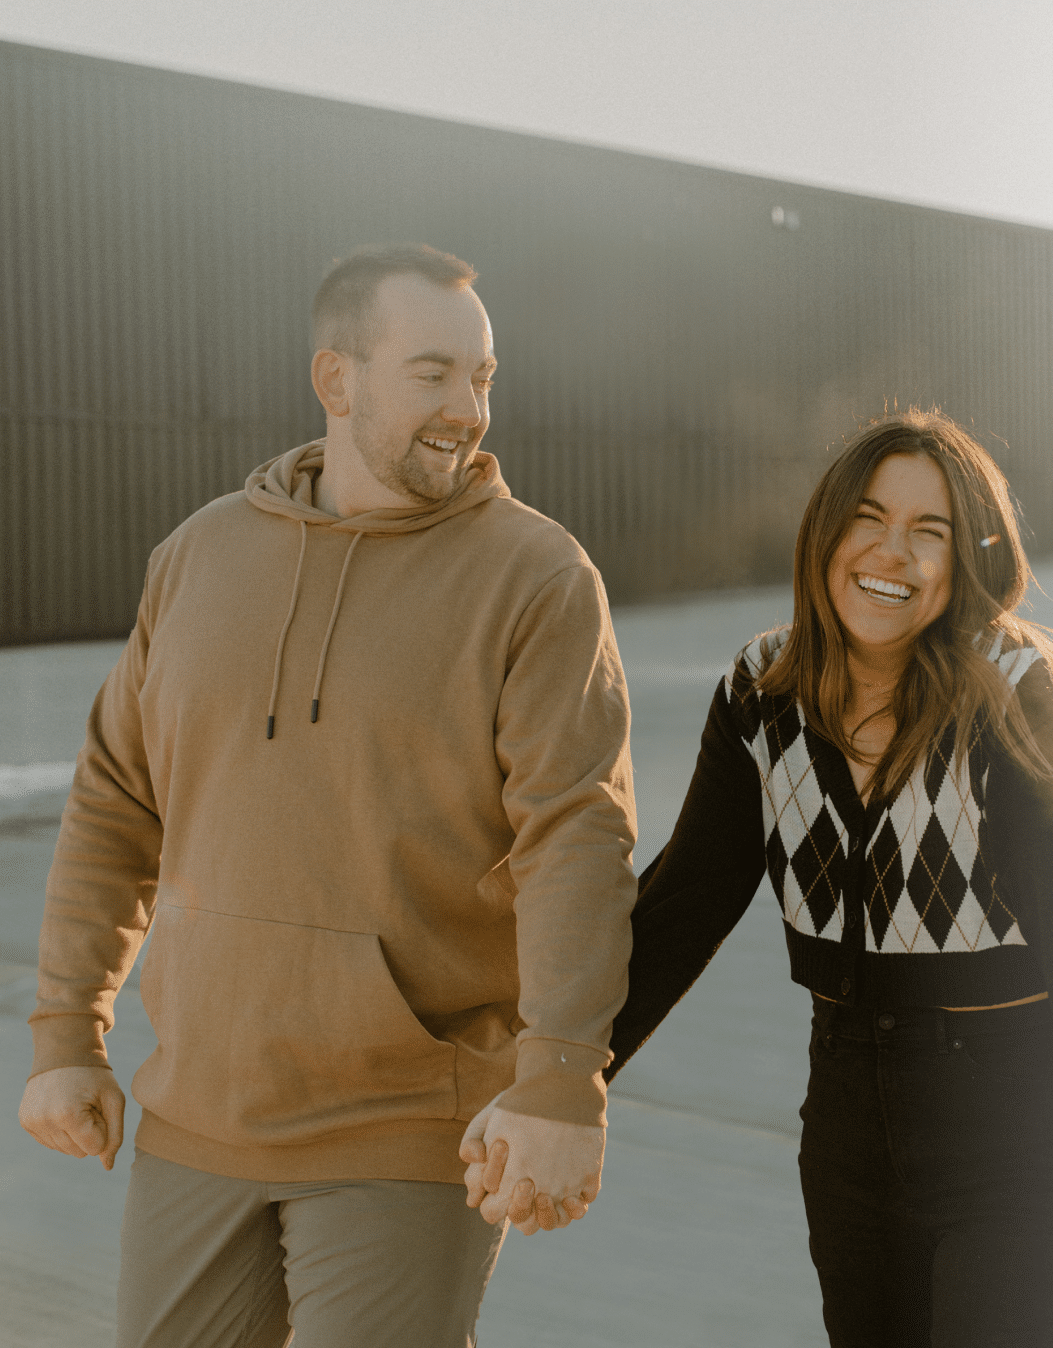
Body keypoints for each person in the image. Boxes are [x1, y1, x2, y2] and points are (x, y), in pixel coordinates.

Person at [17, 242, 638, 1348]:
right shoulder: (198, 557)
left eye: (484, 378)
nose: (468, 409)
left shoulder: (537, 579)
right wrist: (67, 1032)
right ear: (336, 379)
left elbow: (575, 840)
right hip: (196, 1115)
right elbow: (116, 801)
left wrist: (558, 1082)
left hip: (407, 1126)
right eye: (433, 372)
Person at [528, 409, 1053, 1346]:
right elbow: (685, 904)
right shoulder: (761, 694)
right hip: (850, 1138)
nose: (890, 553)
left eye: (928, 532)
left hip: (1027, 1145)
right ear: (826, 531)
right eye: (868, 517)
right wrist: (563, 1079)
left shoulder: (1011, 695)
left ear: (965, 559)